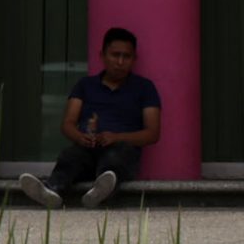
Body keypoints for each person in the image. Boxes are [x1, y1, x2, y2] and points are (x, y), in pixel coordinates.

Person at [18, 28, 162, 210]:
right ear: (102, 55)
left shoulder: (144, 87)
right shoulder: (85, 85)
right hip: (88, 148)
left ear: (134, 59)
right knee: (71, 156)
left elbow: (152, 133)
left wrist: (116, 138)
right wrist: (80, 137)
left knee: (116, 158)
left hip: (121, 149)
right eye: (115, 55)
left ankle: (101, 191)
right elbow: (68, 123)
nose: (120, 62)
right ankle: (52, 190)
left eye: (126, 57)